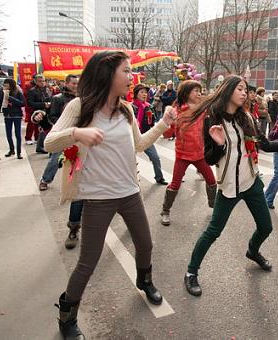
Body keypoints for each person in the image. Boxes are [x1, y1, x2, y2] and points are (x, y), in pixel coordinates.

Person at [44, 51, 176, 339]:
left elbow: (139, 145)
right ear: (107, 74)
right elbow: (49, 142)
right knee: (87, 263)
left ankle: (145, 281)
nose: (132, 77)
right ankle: (67, 317)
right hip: (98, 199)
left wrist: (164, 122)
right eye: (126, 71)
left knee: (146, 244)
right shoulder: (80, 107)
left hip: (130, 193)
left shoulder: (127, 110)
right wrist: (77, 133)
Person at [181, 75, 278, 296]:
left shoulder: (246, 118)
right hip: (228, 185)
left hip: (251, 181)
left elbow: (264, 144)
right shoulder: (213, 120)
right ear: (228, 90)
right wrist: (219, 145)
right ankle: (191, 272)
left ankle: (253, 251)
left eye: (246, 89)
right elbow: (209, 159)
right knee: (213, 231)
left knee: (266, 226)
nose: (244, 93)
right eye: (240, 88)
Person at [160, 80, 217, 226]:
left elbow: (216, 103)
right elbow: (168, 132)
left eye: (200, 90)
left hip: (199, 154)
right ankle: (165, 211)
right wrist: (167, 122)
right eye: (195, 91)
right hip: (182, 155)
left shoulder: (202, 108)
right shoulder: (177, 109)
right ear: (186, 93)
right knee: (175, 185)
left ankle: (213, 206)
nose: (199, 93)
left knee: (212, 181)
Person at [38, 74, 79, 191]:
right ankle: (45, 180)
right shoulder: (58, 98)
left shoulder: (81, 98)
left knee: (78, 160)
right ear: (66, 83)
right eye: (73, 83)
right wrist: (65, 124)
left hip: (78, 133)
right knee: (56, 159)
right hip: (63, 134)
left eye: (77, 83)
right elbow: (52, 117)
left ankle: (75, 184)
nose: (75, 86)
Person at [132, 83, 168, 186]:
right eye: (142, 92)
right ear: (136, 94)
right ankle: (133, 181)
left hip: (146, 136)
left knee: (155, 158)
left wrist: (150, 117)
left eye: (145, 92)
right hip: (133, 137)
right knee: (130, 162)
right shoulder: (131, 107)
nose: (144, 94)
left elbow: (153, 123)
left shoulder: (149, 106)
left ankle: (159, 178)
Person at [0, 78, 25, 159]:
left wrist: (11, 98)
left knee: (18, 135)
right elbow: (0, 103)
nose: (5, 85)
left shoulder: (18, 92)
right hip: (7, 115)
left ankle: (19, 152)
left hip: (16, 115)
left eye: (6, 83)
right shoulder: (2, 92)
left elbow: (23, 103)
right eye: (4, 84)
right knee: (8, 134)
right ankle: (11, 149)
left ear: (11, 84)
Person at [27, 74, 52, 153]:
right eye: (40, 81)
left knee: (44, 129)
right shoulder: (32, 91)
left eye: (43, 81)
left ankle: (40, 146)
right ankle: (43, 146)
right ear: (35, 82)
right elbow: (30, 103)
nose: (42, 83)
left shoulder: (46, 90)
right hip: (37, 113)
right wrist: (43, 104)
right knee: (45, 129)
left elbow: (49, 98)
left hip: (47, 112)